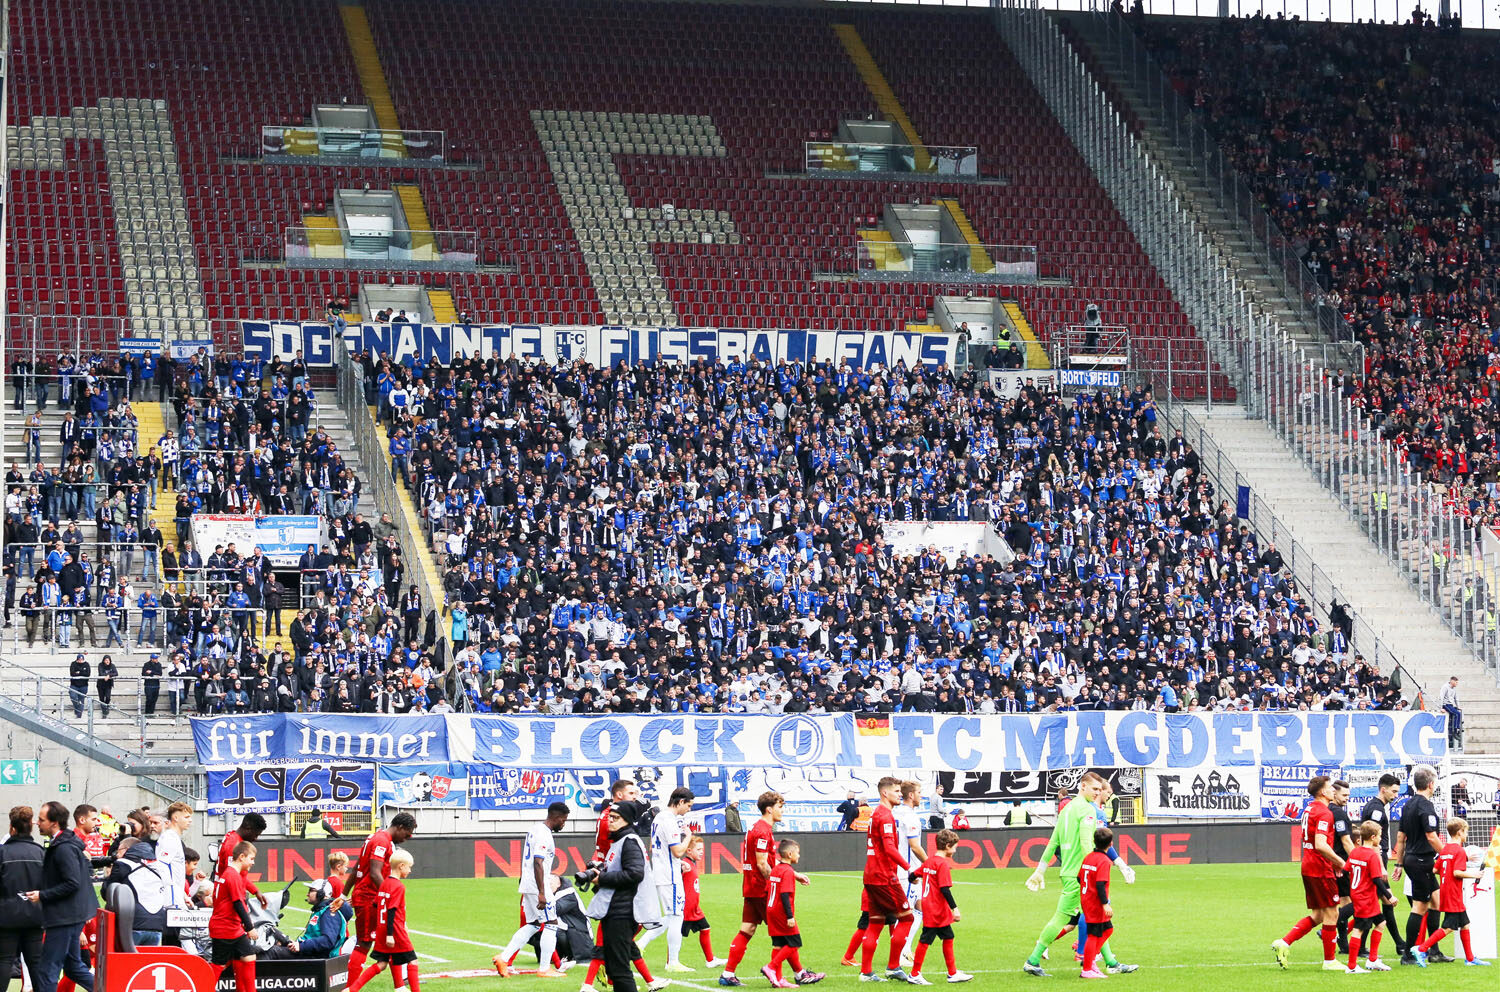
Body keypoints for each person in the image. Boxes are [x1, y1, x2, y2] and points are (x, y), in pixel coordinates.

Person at [1022, 771, 1108, 977]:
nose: (1097, 793)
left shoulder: (1066, 809)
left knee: (1097, 917)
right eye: (1094, 789)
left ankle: (1111, 961)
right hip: (1080, 875)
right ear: (1083, 786)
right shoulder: (1087, 810)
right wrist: (1094, 868)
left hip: (1069, 872)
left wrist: (1040, 870)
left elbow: (1053, 842)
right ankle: (1033, 960)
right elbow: (1087, 843)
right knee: (1062, 919)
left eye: (1099, 790)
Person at [583, 801, 661, 992]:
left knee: (619, 969)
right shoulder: (620, 840)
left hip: (623, 911)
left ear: (627, 820)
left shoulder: (629, 841)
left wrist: (603, 878)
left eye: (615, 818)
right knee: (614, 967)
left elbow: (635, 874)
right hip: (616, 909)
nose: (610, 821)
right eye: (610, 816)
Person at [720, 791, 795, 987]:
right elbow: (762, 864)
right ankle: (792, 974)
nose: (782, 810)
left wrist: (794, 874)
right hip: (762, 888)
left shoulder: (757, 827)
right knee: (784, 932)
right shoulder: (762, 830)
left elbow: (769, 860)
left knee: (747, 928)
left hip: (751, 887)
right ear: (769, 809)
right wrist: (775, 884)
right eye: (780, 806)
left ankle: (728, 974)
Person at [1272, 775, 1346, 971]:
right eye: (1330, 787)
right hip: (1320, 868)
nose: (1333, 790)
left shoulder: (1309, 808)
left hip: (1309, 865)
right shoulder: (1324, 813)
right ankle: (1329, 961)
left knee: (1319, 915)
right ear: (1322, 791)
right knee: (1332, 913)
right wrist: (1340, 862)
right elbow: (1321, 845)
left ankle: (1284, 942)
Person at [495, 802, 570, 978]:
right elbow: (538, 862)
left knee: (534, 924)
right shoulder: (544, 835)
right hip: (538, 885)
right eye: (564, 820)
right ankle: (544, 968)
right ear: (557, 818)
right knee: (551, 924)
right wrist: (542, 892)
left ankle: (503, 957)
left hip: (528, 883)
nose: (564, 824)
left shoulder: (535, 828)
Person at [28, 801, 96, 992]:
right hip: (71, 915)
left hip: (64, 917)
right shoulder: (66, 843)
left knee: (47, 970)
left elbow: (71, 883)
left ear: (54, 822)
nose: (37, 823)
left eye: (41, 820)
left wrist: (42, 895)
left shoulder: (64, 847)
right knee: (74, 968)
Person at [348, 813, 418, 986]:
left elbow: (357, 867)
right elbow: (374, 872)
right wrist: (388, 894)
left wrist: (345, 894)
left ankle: (400, 986)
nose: (407, 839)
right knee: (364, 944)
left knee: (391, 944)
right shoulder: (382, 840)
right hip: (369, 897)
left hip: (370, 897)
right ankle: (350, 988)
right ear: (400, 827)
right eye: (407, 834)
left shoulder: (377, 837)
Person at [857, 776, 913, 983]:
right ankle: (893, 967)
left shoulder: (875, 814)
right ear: (885, 793)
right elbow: (890, 848)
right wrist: (910, 869)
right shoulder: (885, 815)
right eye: (897, 791)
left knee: (876, 922)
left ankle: (866, 972)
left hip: (870, 875)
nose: (900, 794)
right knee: (907, 917)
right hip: (883, 876)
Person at [1411, 817, 1489, 966]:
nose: (1466, 835)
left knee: (1465, 924)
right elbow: (1457, 872)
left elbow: (1435, 869)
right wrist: (1474, 874)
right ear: (1459, 832)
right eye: (1466, 832)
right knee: (1448, 927)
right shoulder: (1459, 850)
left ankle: (1470, 958)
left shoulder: (1445, 849)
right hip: (1453, 894)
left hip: (1447, 892)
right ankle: (1421, 949)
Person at [1393, 764, 1446, 964]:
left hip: (1413, 860)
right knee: (1420, 907)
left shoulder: (1408, 804)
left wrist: (1399, 864)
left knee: (1437, 902)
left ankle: (1434, 950)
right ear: (1431, 784)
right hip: (1422, 860)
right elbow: (1431, 837)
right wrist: (1447, 854)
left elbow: (1400, 836)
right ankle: (1408, 954)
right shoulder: (1426, 806)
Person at [1355, 772, 1407, 960]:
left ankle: (1395, 944)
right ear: (1383, 789)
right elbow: (1372, 838)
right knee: (1384, 901)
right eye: (1393, 791)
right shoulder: (1377, 809)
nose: (1395, 795)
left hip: (1376, 859)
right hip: (1376, 860)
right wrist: (1380, 864)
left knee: (1377, 903)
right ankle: (1339, 926)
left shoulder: (1374, 806)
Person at [908, 829, 971, 986]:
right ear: (948, 846)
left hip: (930, 907)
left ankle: (952, 973)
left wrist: (914, 879)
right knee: (926, 940)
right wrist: (955, 909)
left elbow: (912, 875)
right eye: (955, 847)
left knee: (948, 937)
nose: (955, 850)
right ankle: (914, 974)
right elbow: (944, 889)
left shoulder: (929, 861)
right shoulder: (942, 864)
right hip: (936, 909)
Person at [641, 788, 693, 970]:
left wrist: (678, 864)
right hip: (669, 876)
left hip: (662, 872)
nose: (689, 809)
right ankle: (673, 962)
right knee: (676, 916)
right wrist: (688, 837)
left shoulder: (658, 818)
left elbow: (652, 846)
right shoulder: (670, 821)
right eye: (688, 805)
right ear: (680, 802)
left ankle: (642, 943)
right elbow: (678, 851)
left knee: (672, 915)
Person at [762, 840, 823, 988]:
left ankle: (779, 978)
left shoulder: (776, 869)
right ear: (790, 854)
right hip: (781, 912)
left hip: (770, 909)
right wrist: (789, 916)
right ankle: (770, 967)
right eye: (797, 852)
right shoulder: (788, 871)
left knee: (779, 944)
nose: (799, 855)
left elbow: (768, 890)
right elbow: (784, 895)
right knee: (795, 942)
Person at [0, 806, 46, 992]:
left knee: (3, 960)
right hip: (35, 916)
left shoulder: (3, 853)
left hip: (6, 916)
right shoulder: (41, 853)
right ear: (31, 827)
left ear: (12, 827)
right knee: (36, 963)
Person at [1344, 822, 1396, 973]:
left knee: (1381, 923)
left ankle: (1372, 960)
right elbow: (1376, 879)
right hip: (1364, 898)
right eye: (1380, 835)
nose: (1380, 838)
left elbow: (1346, 869)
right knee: (1359, 929)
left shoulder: (1355, 852)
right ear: (1373, 837)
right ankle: (1352, 966)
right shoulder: (1372, 855)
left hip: (1364, 896)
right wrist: (1389, 896)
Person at [209, 842, 261, 992]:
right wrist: (250, 928)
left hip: (226, 927)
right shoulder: (233, 876)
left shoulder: (227, 874)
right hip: (227, 928)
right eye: (251, 858)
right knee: (218, 965)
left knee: (247, 956)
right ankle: (203, 986)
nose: (253, 862)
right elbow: (238, 903)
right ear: (241, 857)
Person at [680, 836, 726, 970]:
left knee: (705, 928)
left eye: (702, 849)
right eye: (698, 849)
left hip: (695, 908)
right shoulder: (685, 864)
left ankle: (710, 960)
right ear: (688, 850)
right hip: (686, 908)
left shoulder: (692, 863)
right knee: (676, 934)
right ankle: (670, 961)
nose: (701, 852)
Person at [1077, 828, 1117, 980]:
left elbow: (1079, 878)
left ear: (1094, 841)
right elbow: (1100, 884)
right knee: (1094, 935)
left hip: (1087, 900)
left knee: (1108, 930)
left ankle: (1090, 960)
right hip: (1095, 903)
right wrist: (1105, 903)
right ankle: (1087, 968)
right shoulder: (1105, 861)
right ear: (1111, 844)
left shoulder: (1088, 857)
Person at [895, 781, 927, 968]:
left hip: (904, 870)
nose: (921, 796)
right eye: (919, 792)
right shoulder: (910, 817)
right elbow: (914, 846)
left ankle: (905, 948)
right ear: (911, 795)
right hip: (908, 872)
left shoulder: (894, 813)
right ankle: (899, 955)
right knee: (906, 914)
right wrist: (930, 863)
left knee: (919, 908)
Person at [157, 802, 192, 947]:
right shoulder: (170, 838)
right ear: (176, 818)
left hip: (175, 899)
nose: (190, 820)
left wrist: (182, 894)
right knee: (173, 943)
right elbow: (162, 866)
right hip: (171, 904)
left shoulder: (173, 837)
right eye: (187, 816)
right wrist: (174, 900)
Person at [1328, 780, 1356, 954]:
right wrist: (1358, 861)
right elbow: (1346, 841)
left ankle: (1343, 943)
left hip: (1332, 862)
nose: (1347, 798)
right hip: (1342, 863)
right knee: (1353, 903)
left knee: (1344, 901)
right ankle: (1332, 929)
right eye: (1344, 795)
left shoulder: (1327, 810)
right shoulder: (1338, 813)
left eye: (1348, 795)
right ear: (1334, 793)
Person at [1440, 676, 1462, 750]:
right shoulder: (1445, 687)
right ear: (1452, 681)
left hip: (1451, 705)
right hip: (1446, 704)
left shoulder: (1454, 689)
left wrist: (1458, 706)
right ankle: (1455, 730)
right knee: (1457, 714)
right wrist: (1441, 708)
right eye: (1456, 682)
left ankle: (1456, 729)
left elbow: (1456, 698)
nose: (1456, 684)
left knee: (1459, 713)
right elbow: (1441, 697)